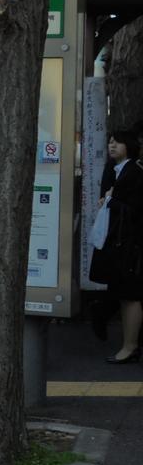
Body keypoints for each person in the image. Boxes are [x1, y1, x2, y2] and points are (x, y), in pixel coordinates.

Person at [95, 131, 143, 363]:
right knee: (125, 295)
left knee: (130, 295)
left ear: (130, 145)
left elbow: (134, 209)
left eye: (117, 142)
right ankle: (129, 345)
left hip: (130, 244)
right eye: (110, 142)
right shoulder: (118, 170)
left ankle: (130, 346)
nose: (111, 145)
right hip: (122, 242)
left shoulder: (134, 171)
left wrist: (111, 201)